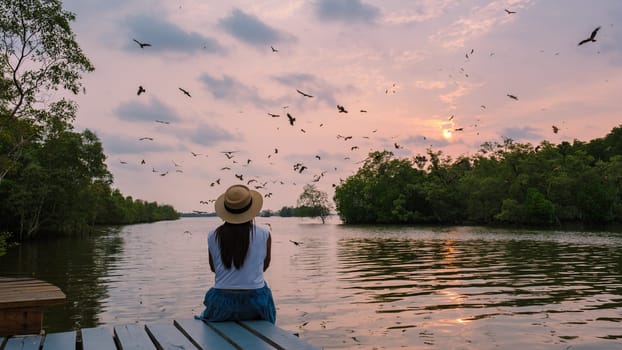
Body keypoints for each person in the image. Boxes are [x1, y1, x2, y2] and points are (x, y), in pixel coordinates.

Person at [197, 184, 276, 324]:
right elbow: (264, 266)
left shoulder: (212, 235)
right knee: (264, 291)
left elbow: (214, 268)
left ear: (226, 211)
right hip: (255, 303)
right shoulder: (264, 234)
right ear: (251, 210)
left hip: (221, 304)